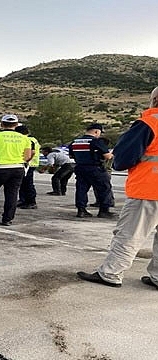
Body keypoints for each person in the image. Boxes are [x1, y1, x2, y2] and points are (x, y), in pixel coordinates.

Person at [77, 86, 158, 288]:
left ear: (154, 100)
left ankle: (110, 273)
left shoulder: (149, 122)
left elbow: (122, 158)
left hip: (149, 189)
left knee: (129, 234)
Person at [68, 123, 114, 218]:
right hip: (95, 168)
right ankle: (104, 211)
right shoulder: (95, 141)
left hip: (80, 167)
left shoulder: (75, 142)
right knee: (104, 188)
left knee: (81, 189)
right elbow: (107, 156)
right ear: (96, 131)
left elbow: (71, 155)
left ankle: (81, 210)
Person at [16, 125, 40, 209]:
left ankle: (31, 202)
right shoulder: (33, 139)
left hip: (28, 164)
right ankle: (24, 200)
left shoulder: (28, 140)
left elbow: (32, 152)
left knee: (27, 184)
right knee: (24, 183)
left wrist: (26, 160)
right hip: (31, 163)